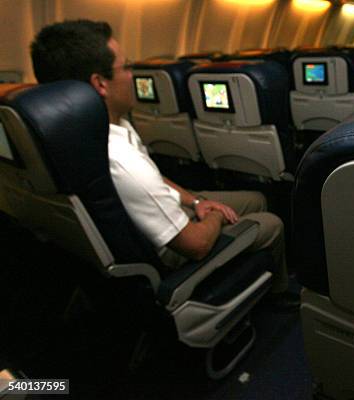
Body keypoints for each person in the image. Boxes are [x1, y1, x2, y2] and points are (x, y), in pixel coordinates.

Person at [30, 19, 298, 310]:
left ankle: (256, 270)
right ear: (100, 84)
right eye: (127, 66)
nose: (132, 75)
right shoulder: (120, 160)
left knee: (256, 198)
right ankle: (276, 297)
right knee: (272, 224)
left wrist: (196, 201)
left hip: (161, 215)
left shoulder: (92, 132)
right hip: (173, 250)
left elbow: (153, 179)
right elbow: (195, 245)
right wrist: (216, 215)